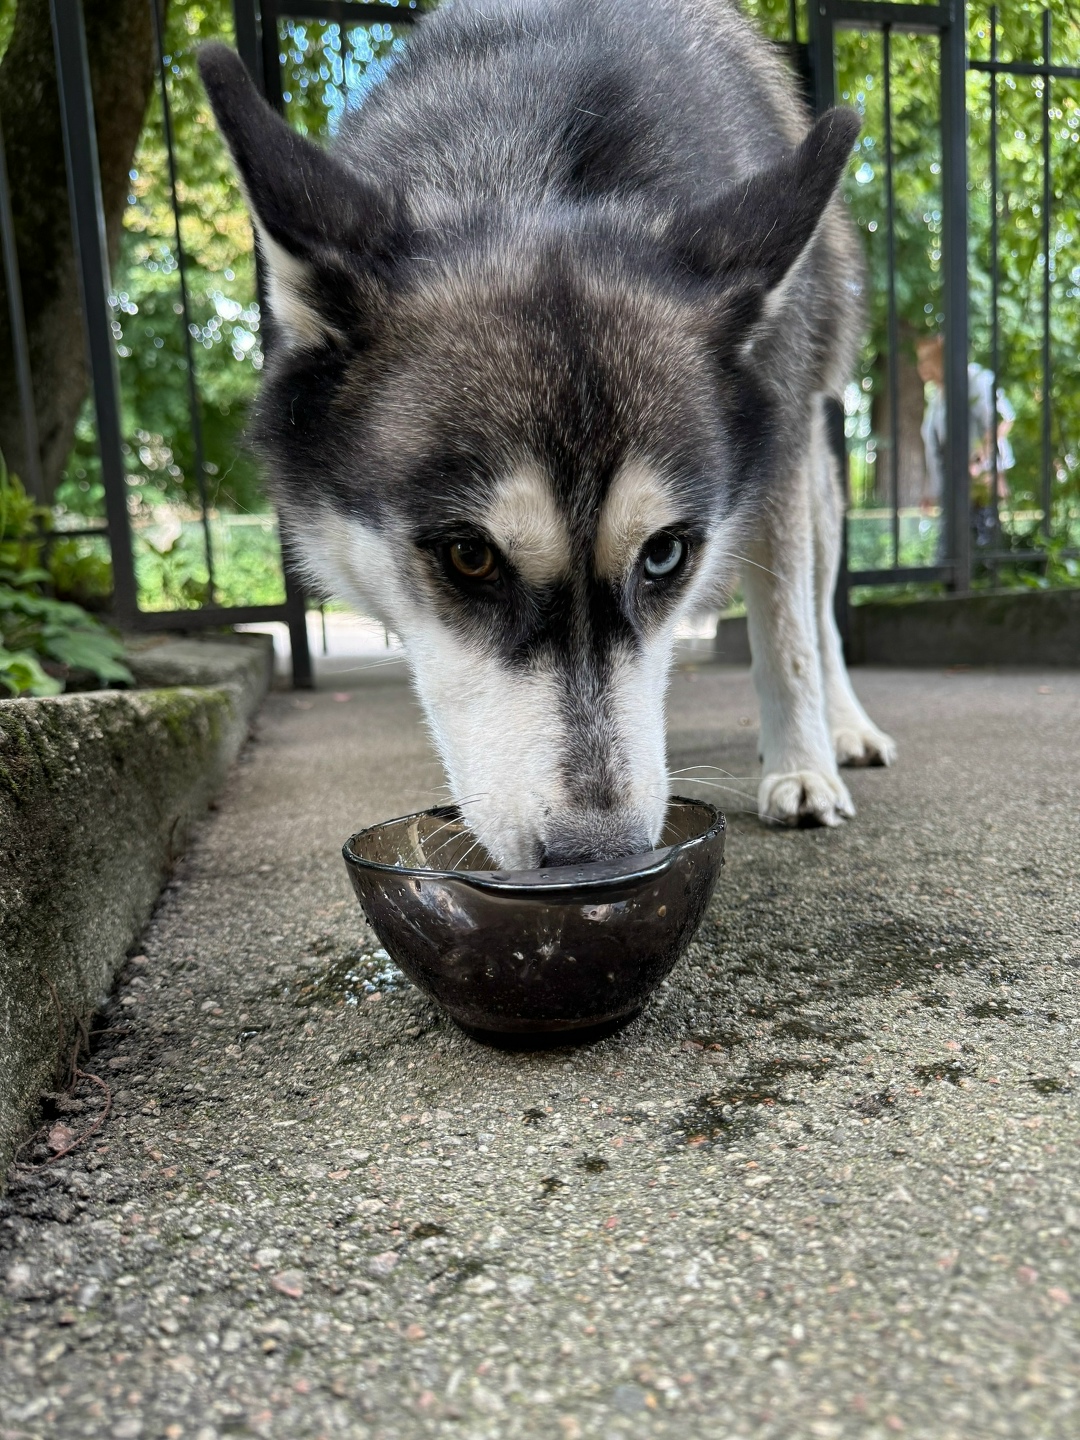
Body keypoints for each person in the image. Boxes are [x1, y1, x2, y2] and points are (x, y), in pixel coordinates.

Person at [916, 334, 1015, 546]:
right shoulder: (937, 397)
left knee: (981, 553)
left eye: (926, 358)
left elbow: (1003, 419)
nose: (921, 366)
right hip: (951, 492)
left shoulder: (976, 380)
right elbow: (936, 448)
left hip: (980, 487)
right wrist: (930, 491)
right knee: (951, 554)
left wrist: (979, 460)